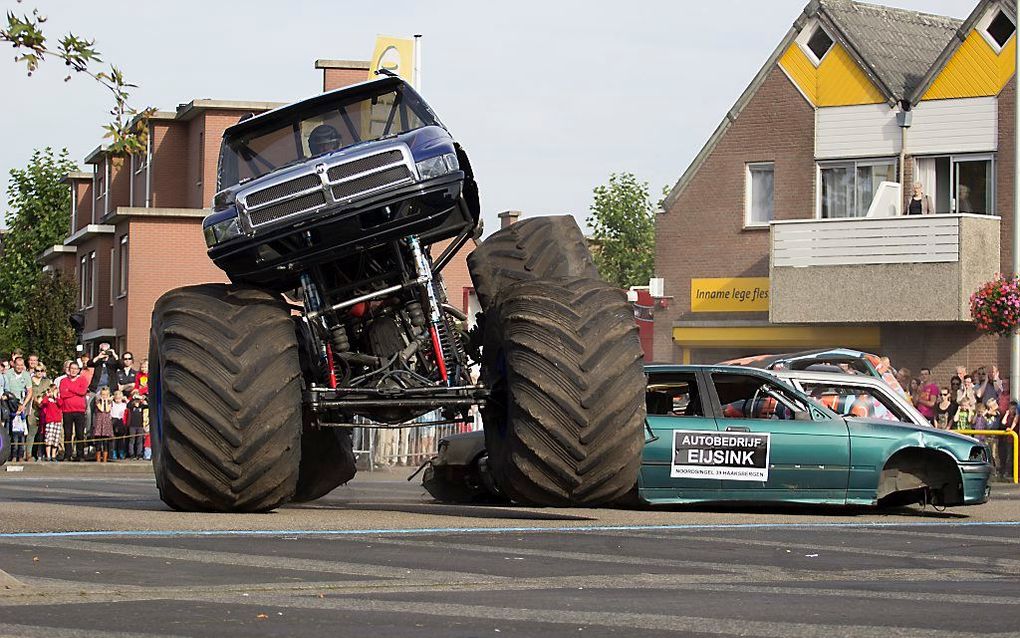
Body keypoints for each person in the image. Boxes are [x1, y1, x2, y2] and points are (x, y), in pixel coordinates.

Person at [59, 362, 89, 461]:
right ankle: (68, 454)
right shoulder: (63, 380)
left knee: (79, 433)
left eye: (76, 369)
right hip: (67, 410)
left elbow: (83, 392)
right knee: (68, 433)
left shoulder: (83, 380)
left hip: (79, 410)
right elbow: (63, 394)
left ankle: (80, 455)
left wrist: (70, 389)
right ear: (68, 369)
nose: (73, 370)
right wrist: (75, 391)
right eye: (72, 368)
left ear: (79, 370)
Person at [40, 384, 63, 462]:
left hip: (57, 421)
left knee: (55, 439)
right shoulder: (48, 399)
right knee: (49, 438)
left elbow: (60, 404)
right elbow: (43, 402)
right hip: (50, 420)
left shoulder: (58, 398)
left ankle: (53, 455)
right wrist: (47, 395)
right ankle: (48, 455)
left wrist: (56, 396)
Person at [92, 387, 114, 463]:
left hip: (106, 423)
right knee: (98, 442)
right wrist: (103, 401)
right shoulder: (98, 401)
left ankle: (104, 459)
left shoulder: (110, 402)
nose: (104, 396)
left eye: (106, 394)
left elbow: (107, 410)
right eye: (103, 394)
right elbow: (101, 409)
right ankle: (98, 459)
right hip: (99, 422)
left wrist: (106, 401)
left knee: (105, 442)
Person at [125, 392, 147, 459]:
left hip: (140, 426)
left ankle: (139, 454)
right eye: (136, 399)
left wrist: (144, 398)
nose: (137, 401)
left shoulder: (141, 406)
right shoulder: (131, 406)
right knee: (132, 440)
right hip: (132, 426)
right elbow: (128, 405)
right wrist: (132, 398)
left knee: (139, 441)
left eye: (138, 399)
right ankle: (131, 454)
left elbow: (148, 405)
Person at [1000, 400, 1018, 481]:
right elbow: (1003, 423)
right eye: (1011, 408)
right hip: (1008, 440)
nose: (1013, 410)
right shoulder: (1007, 416)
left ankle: (1014, 472)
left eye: (1014, 409)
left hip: (1016, 439)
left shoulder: (1017, 417)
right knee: (1008, 457)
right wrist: (1007, 414)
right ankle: (1008, 473)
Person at [110, 390, 128, 460]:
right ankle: (114, 452)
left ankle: (121, 452)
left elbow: (129, 404)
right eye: (116, 398)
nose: (117, 400)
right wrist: (112, 398)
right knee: (114, 439)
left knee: (121, 439)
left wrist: (125, 399)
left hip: (121, 422)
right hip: (114, 421)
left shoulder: (124, 404)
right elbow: (109, 401)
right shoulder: (112, 404)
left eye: (119, 398)